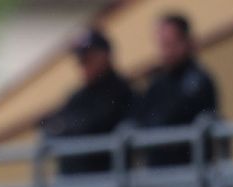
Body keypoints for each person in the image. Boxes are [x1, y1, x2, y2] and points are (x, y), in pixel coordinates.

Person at [40, 28, 134, 175]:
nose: (82, 65)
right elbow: (47, 124)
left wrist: (64, 127)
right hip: (75, 183)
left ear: (104, 56)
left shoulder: (121, 92)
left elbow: (93, 126)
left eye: (86, 58)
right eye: (80, 60)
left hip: (107, 184)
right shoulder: (79, 96)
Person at [134, 13, 219, 167]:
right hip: (159, 173)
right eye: (163, 45)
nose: (166, 52)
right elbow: (142, 117)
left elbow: (176, 116)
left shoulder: (198, 80)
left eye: (171, 44)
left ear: (186, 42)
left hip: (191, 174)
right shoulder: (157, 83)